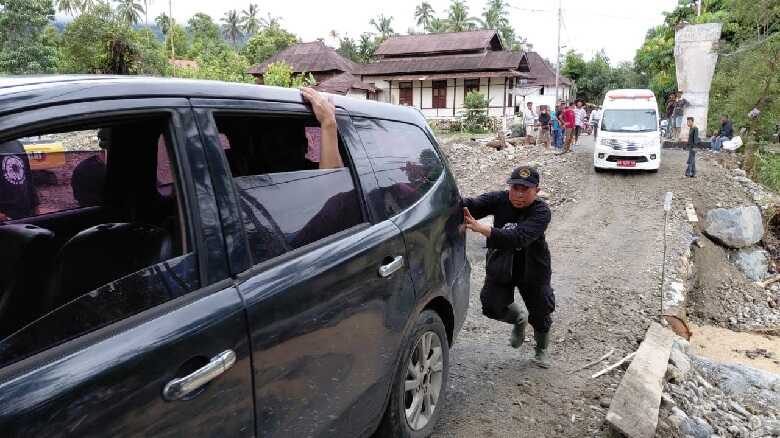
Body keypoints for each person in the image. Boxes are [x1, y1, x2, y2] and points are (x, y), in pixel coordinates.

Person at [462, 166, 555, 368]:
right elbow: (471, 205)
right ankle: (519, 319)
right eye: (515, 188)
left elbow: (518, 237)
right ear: (509, 187)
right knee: (491, 305)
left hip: (533, 268)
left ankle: (541, 350)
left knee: (540, 311)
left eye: (526, 190)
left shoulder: (541, 211)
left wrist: (484, 230)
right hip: (502, 263)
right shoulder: (499, 199)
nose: (519, 194)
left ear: (537, 191)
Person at [0, 140, 39, 221]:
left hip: (26, 211)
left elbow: (28, 175)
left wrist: (35, 205)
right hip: (5, 216)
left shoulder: (16, 143)